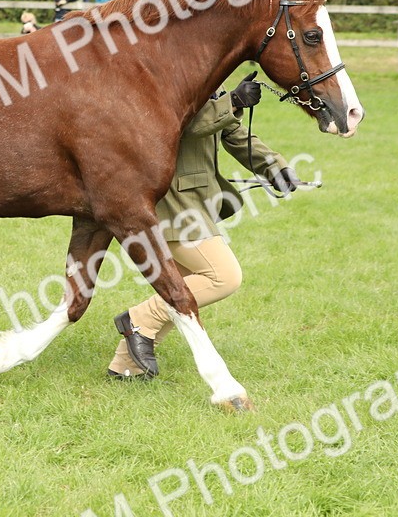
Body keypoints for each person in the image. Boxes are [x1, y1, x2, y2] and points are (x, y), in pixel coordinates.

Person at [108, 72, 299, 384]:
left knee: (182, 288)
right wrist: (233, 101)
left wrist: (275, 167)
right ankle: (138, 319)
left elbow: (233, 133)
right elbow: (187, 125)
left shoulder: (211, 75)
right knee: (223, 276)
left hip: (197, 200)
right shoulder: (167, 77)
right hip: (172, 202)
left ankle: (126, 365)